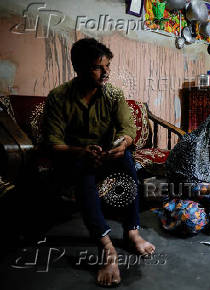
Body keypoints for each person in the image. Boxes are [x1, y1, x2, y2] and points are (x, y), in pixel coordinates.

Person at [42, 38, 155, 287]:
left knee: (127, 162)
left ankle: (132, 231)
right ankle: (107, 248)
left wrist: (122, 144)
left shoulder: (113, 94)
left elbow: (128, 129)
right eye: (97, 67)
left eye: (107, 67)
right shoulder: (59, 97)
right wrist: (80, 151)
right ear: (79, 69)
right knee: (84, 171)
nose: (105, 73)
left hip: (108, 155)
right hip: (74, 158)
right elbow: (52, 144)